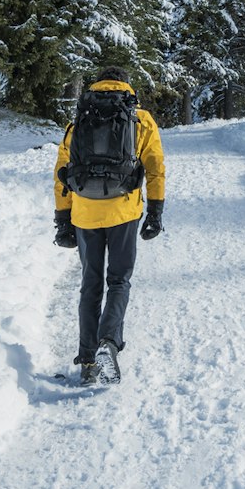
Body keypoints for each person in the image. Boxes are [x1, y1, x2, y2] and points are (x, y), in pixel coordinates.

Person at [54, 66, 166, 385]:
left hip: (85, 214)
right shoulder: (140, 119)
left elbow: (61, 172)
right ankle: (108, 343)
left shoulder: (79, 119)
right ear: (127, 86)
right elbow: (156, 169)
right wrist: (155, 212)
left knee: (90, 284)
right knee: (118, 281)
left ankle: (88, 361)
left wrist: (62, 219)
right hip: (124, 213)